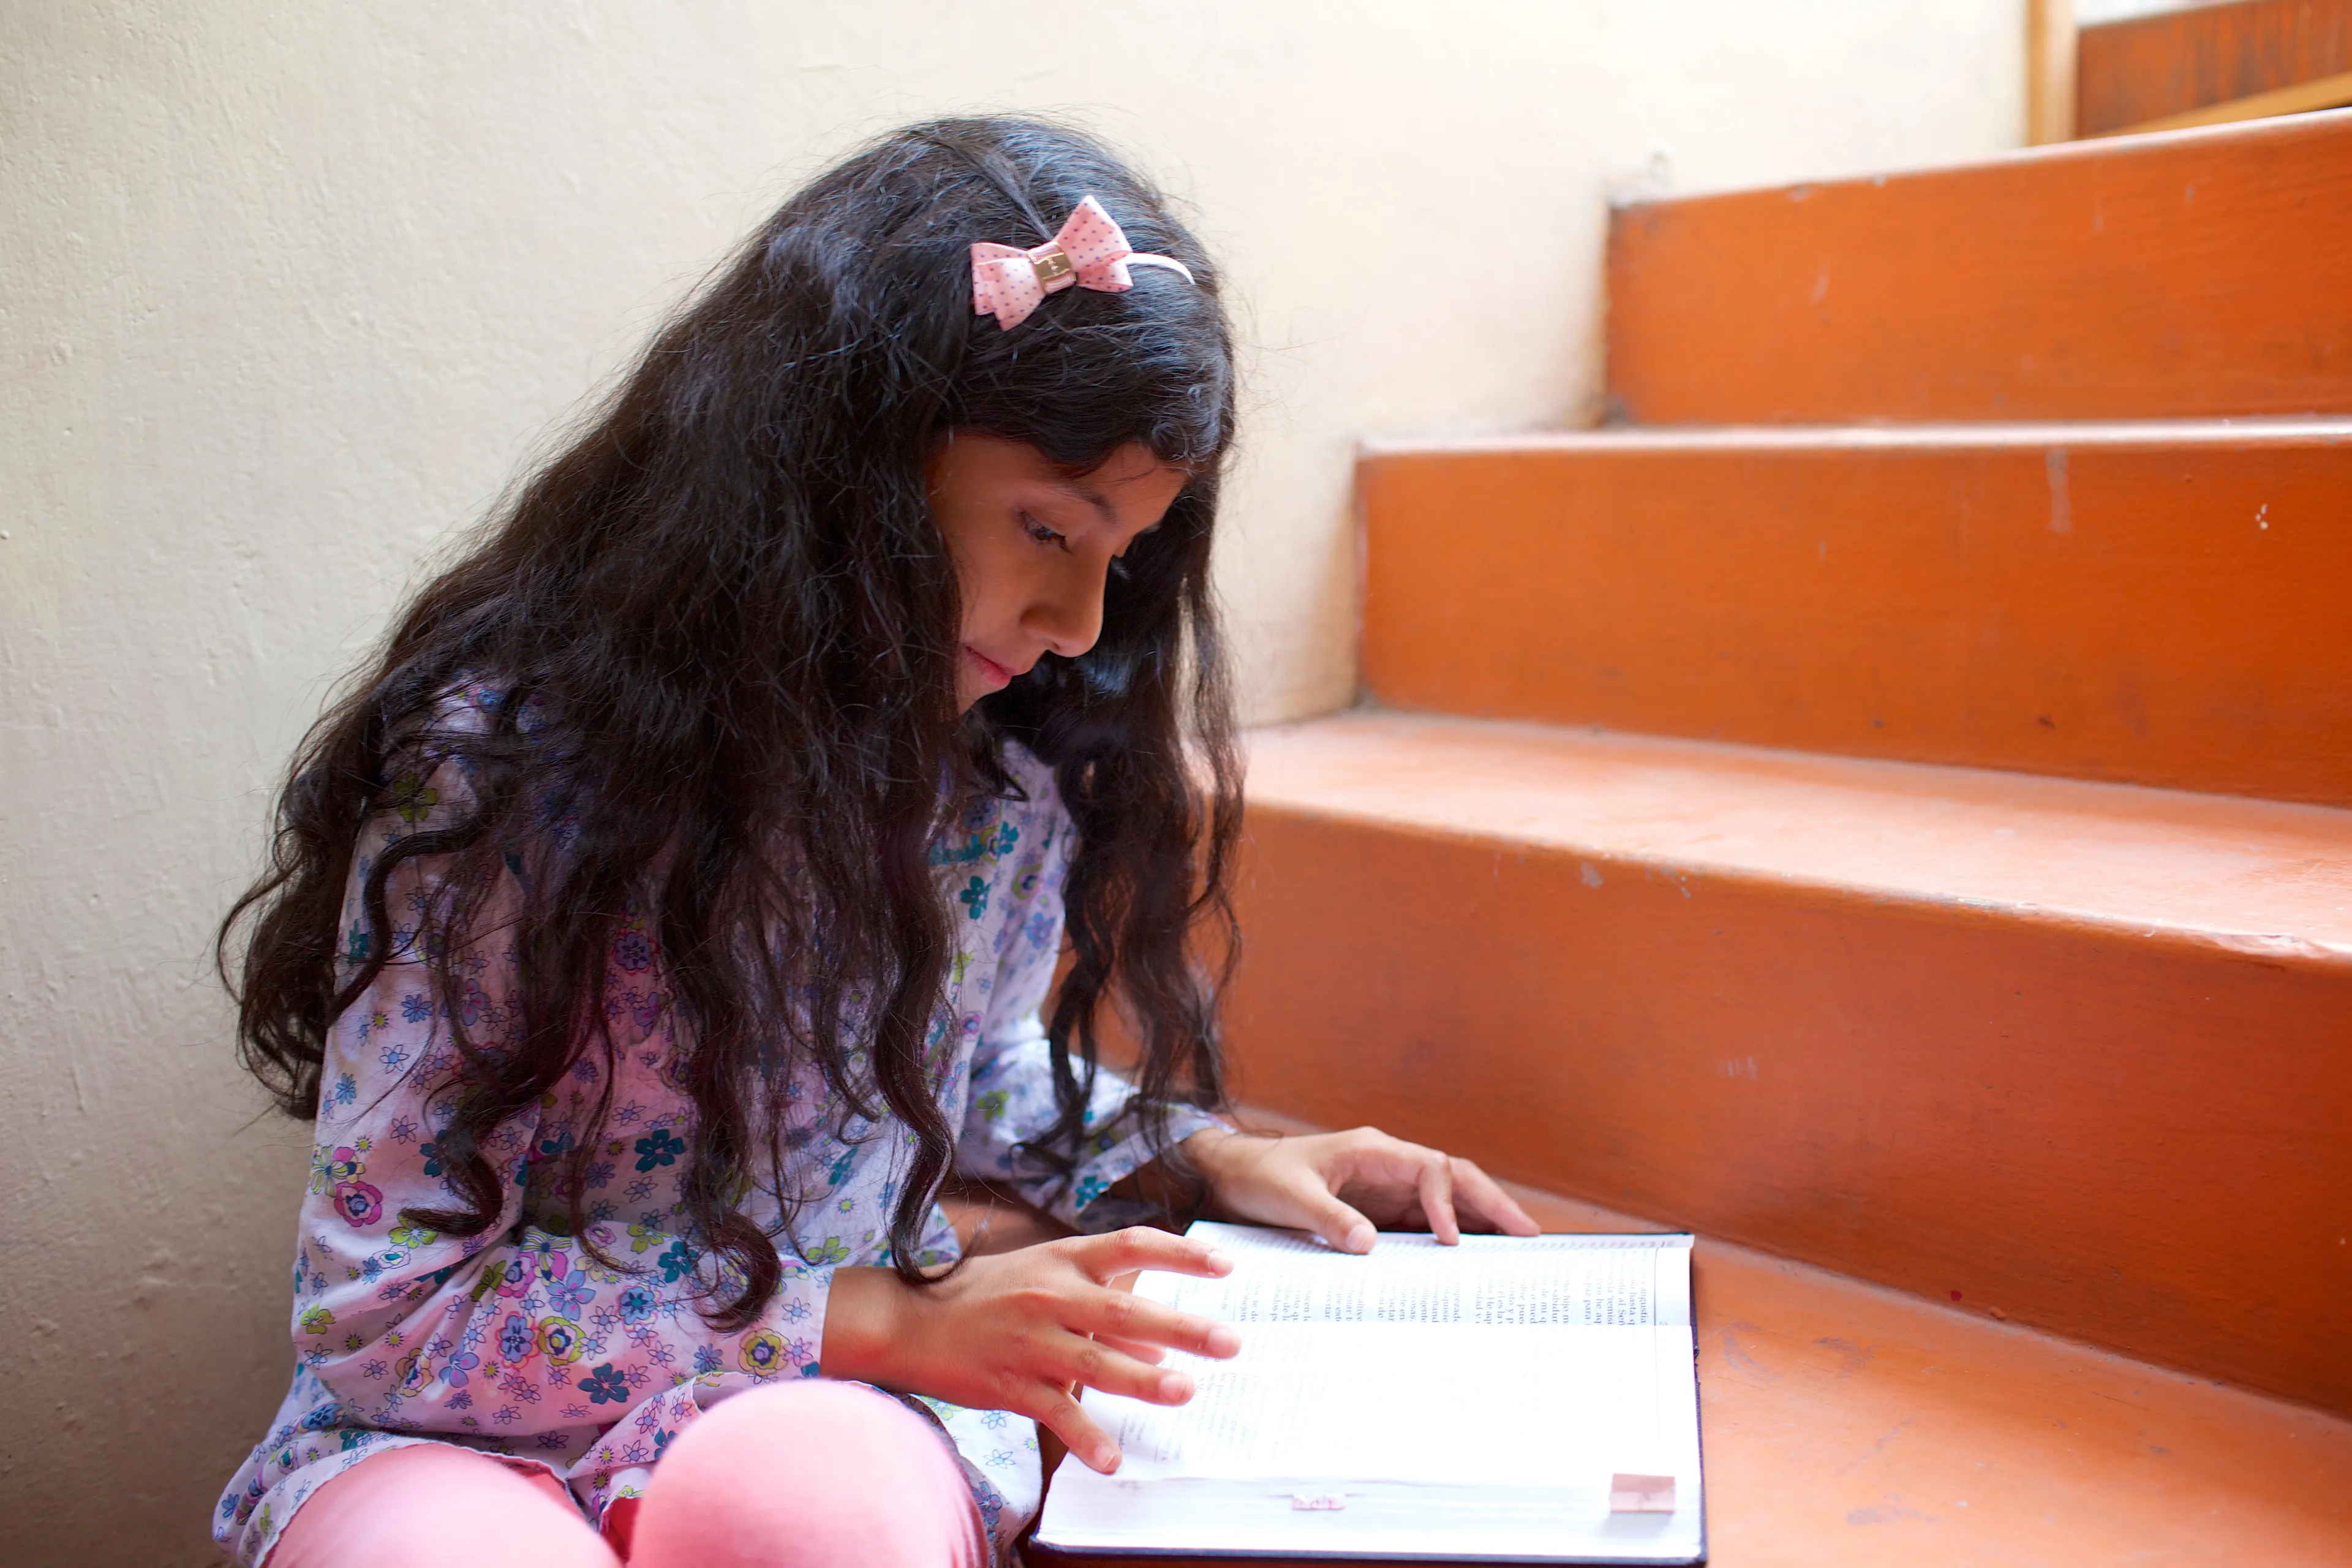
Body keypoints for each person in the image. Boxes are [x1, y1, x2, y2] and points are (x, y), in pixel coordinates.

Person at [213, 116, 1538, 1568]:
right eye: (1048, 529)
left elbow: (961, 1066)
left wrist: (1204, 1150)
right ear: (850, 474)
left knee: (816, 1517)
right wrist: (882, 1316)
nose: (1083, 628)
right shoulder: (498, 776)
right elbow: (385, 1310)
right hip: (452, 1430)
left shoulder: (1002, 776)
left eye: (1124, 557)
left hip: (817, 1419)